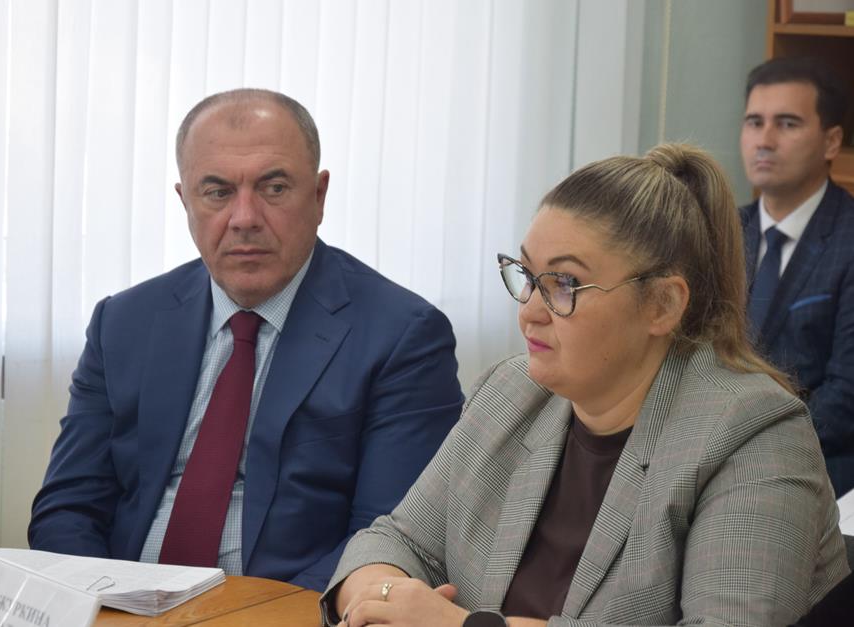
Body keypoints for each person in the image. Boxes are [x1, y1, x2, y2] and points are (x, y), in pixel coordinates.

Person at [322, 144, 849, 626]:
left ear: (662, 304)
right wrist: (381, 599)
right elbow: (394, 541)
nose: (530, 311)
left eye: (565, 284)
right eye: (527, 275)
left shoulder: (755, 433)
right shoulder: (511, 392)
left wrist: (460, 625)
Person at [28, 88, 464, 591]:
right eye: (217, 192)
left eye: (274, 188)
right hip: (123, 604)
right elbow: (68, 507)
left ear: (319, 196)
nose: (244, 218)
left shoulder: (403, 336)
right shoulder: (123, 322)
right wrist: (102, 602)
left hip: (285, 609)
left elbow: (393, 539)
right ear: (185, 201)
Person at [739, 56, 854, 497]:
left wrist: (750, 448)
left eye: (787, 124)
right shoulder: (721, 232)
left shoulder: (848, 239)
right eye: (754, 122)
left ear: (831, 142)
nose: (764, 140)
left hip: (818, 476)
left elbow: (846, 397)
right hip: (713, 465)